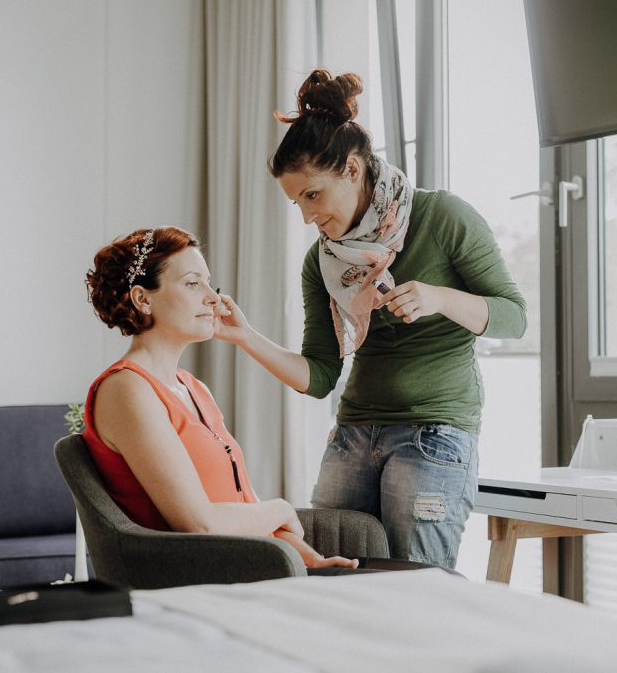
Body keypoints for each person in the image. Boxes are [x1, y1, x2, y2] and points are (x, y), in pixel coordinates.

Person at [213, 70, 528, 569]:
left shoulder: (441, 218)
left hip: (434, 434)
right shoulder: (323, 261)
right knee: (330, 577)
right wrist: (245, 337)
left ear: (354, 170)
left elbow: (515, 318)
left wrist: (439, 298)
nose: (306, 217)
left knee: (416, 585)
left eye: (312, 195)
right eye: (296, 203)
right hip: (354, 435)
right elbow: (319, 376)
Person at [81, 226, 357, 571]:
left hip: (247, 564)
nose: (213, 298)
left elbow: (245, 506)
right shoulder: (127, 389)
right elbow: (199, 523)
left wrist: (312, 562)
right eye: (193, 283)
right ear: (142, 298)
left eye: (209, 283)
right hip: (192, 577)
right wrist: (283, 508)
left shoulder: (195, 389)